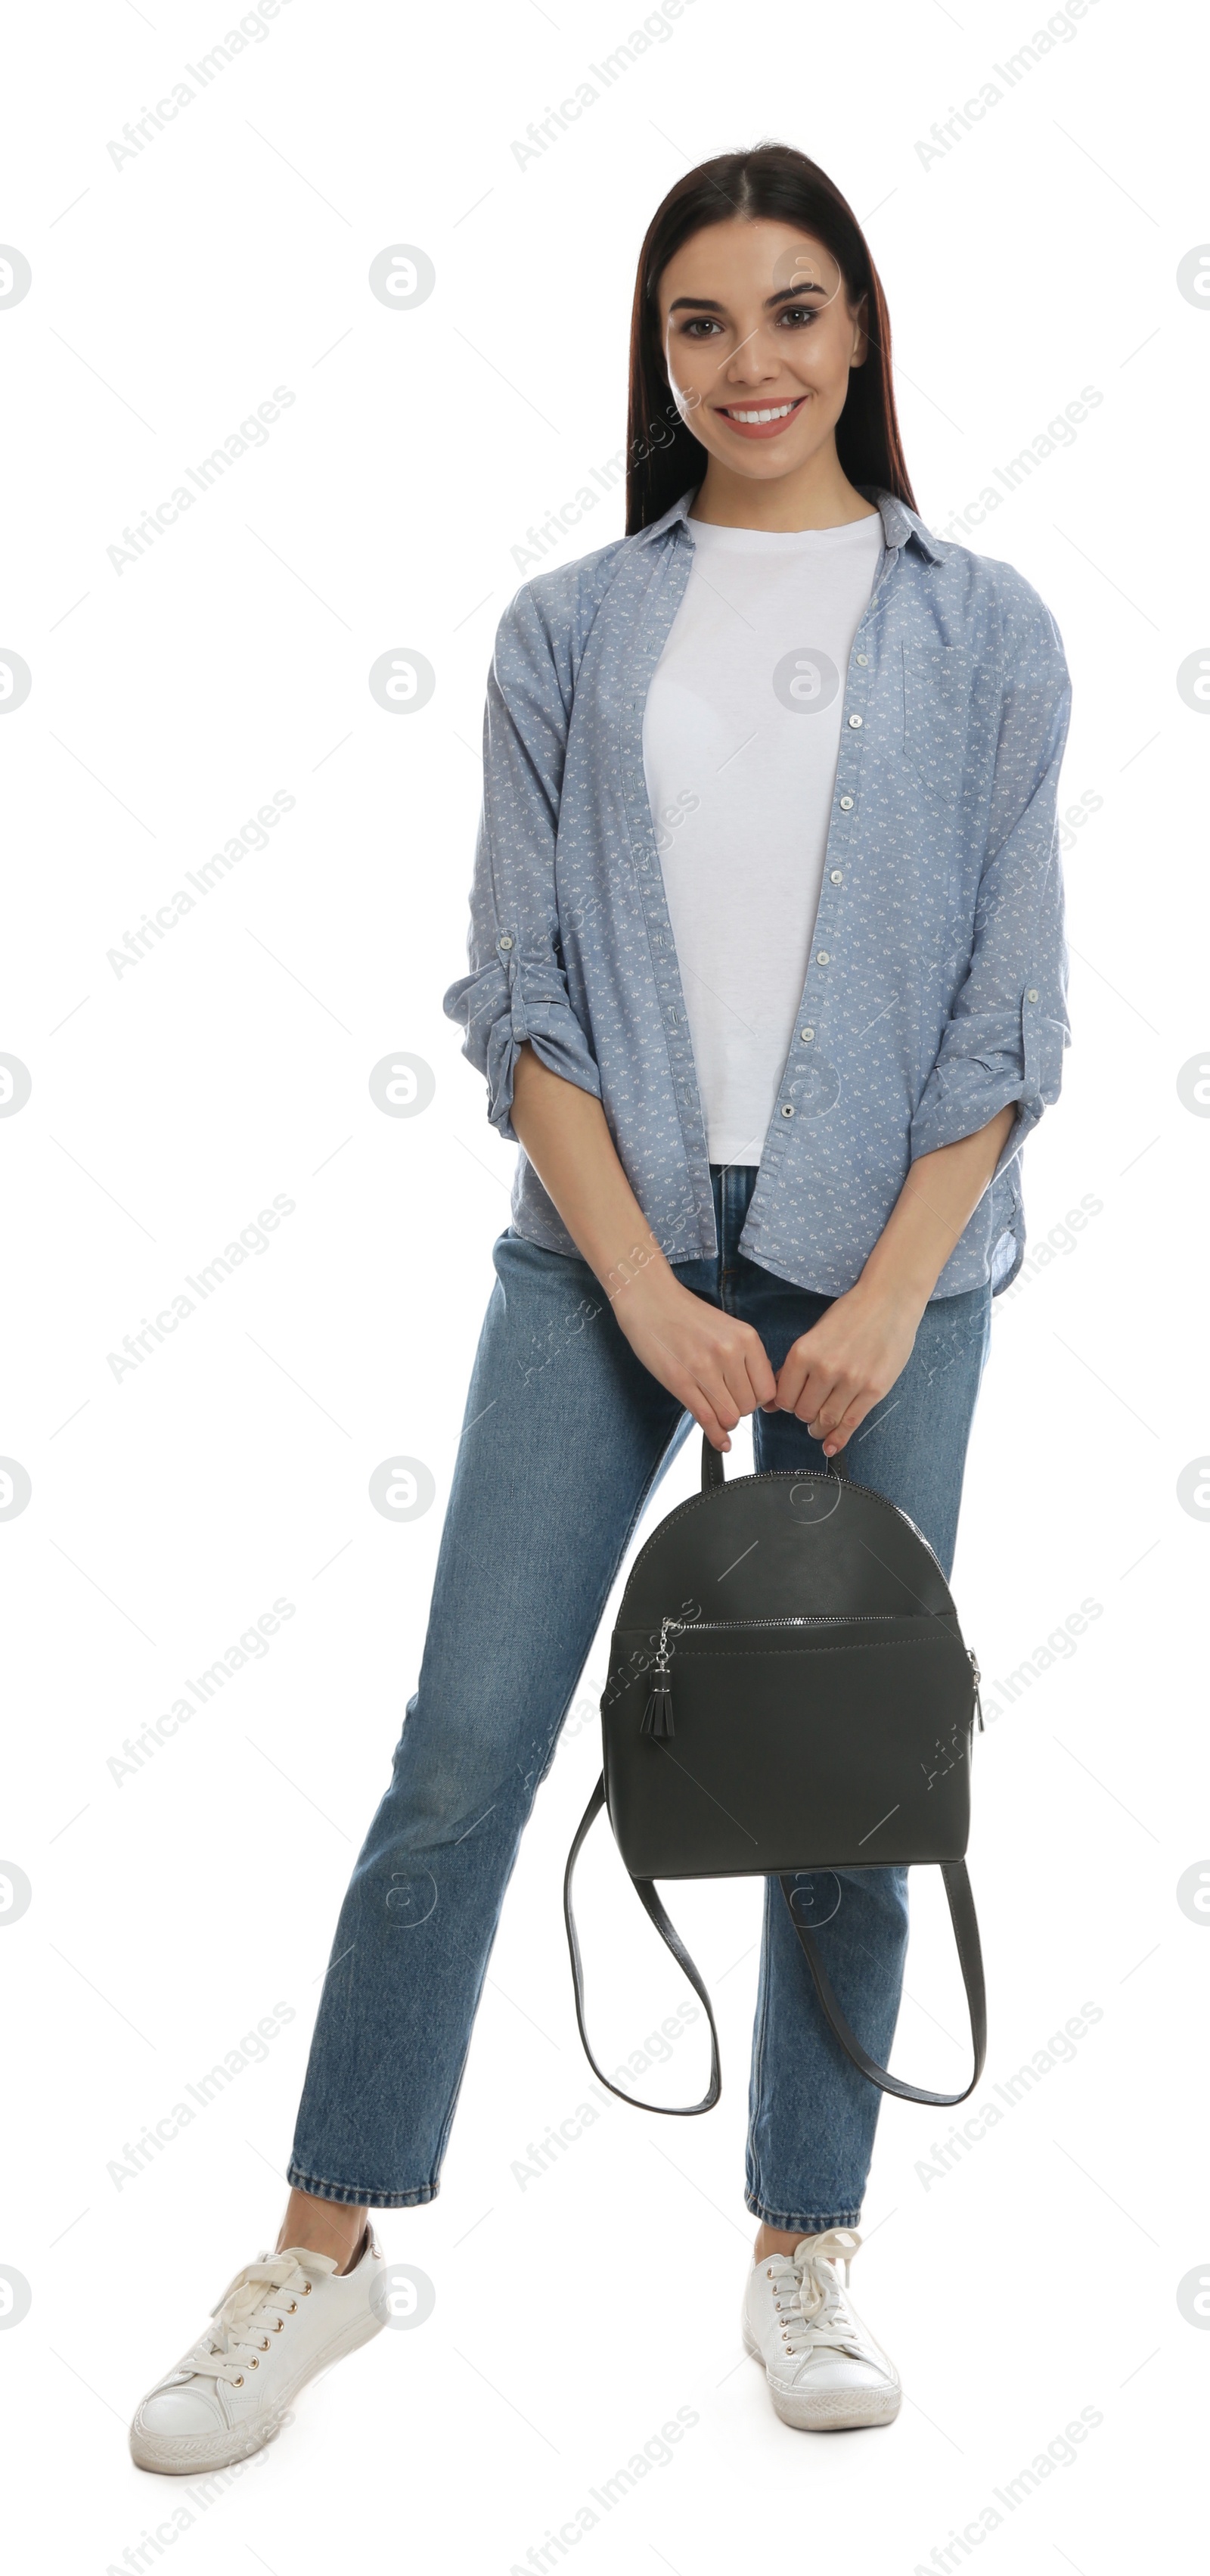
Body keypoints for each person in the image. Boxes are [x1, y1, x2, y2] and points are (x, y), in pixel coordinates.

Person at [130, 141, 1071, 2469]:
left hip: (895, 1270)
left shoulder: (988, 628)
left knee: (854, 1771)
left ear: (860, 332)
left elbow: (1012, 1014)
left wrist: (887, 1285)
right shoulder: (569, 632)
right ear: (658, 361)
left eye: (791, 311)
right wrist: (642, 1278)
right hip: (607, 1252)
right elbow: (522, 997)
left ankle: (803, 2249)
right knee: (464, 1741)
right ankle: (318, 2251)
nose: (750, 363)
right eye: (698, 325)